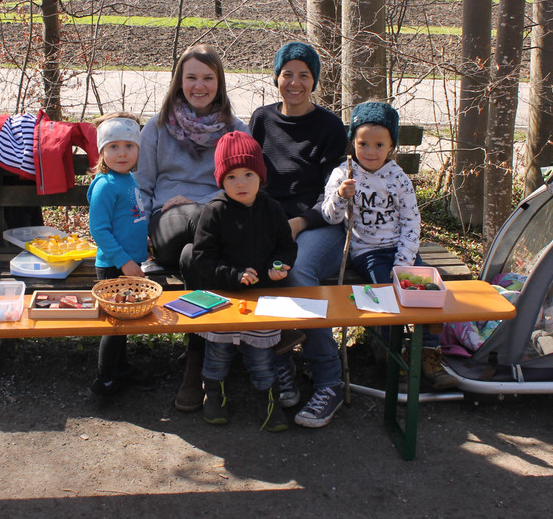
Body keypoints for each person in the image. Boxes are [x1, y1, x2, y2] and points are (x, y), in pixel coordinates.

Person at [135, 43, 248, 411]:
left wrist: (206, 202)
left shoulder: (236, 131)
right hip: (167, 222)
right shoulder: (157, 127)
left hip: (213, 227)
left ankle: (196, 359)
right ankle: (217, 353)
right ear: (179, 81)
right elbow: (142, 188)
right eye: (192, 77)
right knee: (190, 230)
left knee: (192, 255)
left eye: (208, 78)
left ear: (219, 82)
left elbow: (245, 188)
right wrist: (144, 230)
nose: (199, 86)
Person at [322, 101, 458, 390]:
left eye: (379, 145)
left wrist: (404, 261)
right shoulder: (343, 174)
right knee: (384, 297)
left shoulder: (398, 178)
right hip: (368, 252)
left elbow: (411, 221)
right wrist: (341, 196)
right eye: (363, 144)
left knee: (427, 292)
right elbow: (330, 217)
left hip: (400, 249)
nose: (370, 152)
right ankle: (393, 358)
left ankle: (429, 354)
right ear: (353, 142)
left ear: (391, 146)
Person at [249, 41, 348, 428]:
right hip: (270, 224)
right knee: (254, 267)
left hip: (320, 224)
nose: (295, 82)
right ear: (276, 78)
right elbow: (251, 177)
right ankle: (281, 362)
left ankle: (329, 381)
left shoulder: (329, 127)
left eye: (304, 75)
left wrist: (299, 223)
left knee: (298, 270)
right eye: (287, 74)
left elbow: (332, 194)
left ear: (314, 81)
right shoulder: (261, 119)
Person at [187, 131, 297, 431]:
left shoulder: (272, 209)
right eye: (232, 177)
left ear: (261, 176)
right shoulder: (214, 211)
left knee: (262, 356)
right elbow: (203, 258)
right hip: (223, 297)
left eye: (249, 174)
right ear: (221, 180)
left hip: (263, 298)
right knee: (218, 353)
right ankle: (214, 394)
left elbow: (286, 246)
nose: (241, 183)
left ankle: (268, 398)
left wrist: (280, 266)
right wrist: (233, 275)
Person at [86, 112, 154, 400]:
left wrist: (143, 243)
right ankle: (103, 382)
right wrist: (124, 262)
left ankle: (121, 368)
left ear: (138, 150)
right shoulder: (106, 185)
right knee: (115, 326)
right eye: (113, 146)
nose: (122, 153)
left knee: (123, 322)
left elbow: (130, 218)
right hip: (114, 266)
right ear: (102, 151)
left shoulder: (128, 179)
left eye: (129, 146)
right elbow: (99, 230)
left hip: (130, 262)